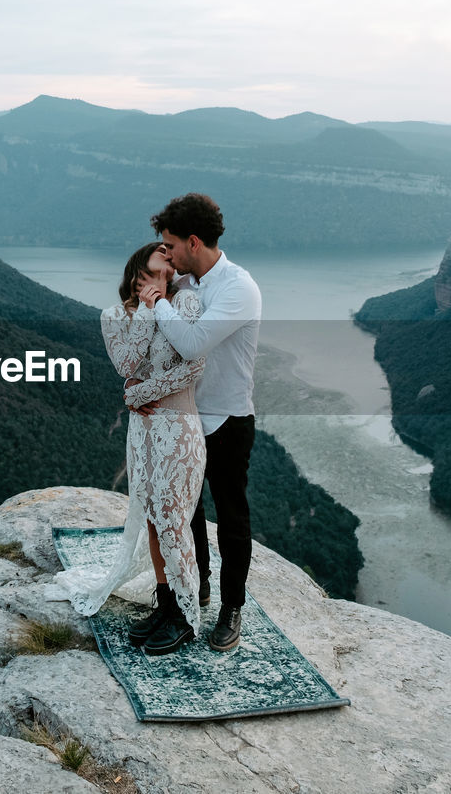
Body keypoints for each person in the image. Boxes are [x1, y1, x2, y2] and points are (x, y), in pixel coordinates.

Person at [48, 242, 206, 655]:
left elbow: (194, 365)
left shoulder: (186, 302)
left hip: (178, 429)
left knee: (174, 520)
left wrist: (141, 394)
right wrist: (147, 311)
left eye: (172, 258)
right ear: (139, 266)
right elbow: (126, 365)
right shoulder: (116, 315)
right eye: (161, 253)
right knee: (153, 518)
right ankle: (166, 602)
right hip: (141, 435)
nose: (170, 258)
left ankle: (187, 616)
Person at [138, 193, 261, 652]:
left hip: (228, 419)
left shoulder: (238, 287)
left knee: (231, 517)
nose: (166, 254)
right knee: (186, 514)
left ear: (194, 241)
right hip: (184, 416)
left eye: (171, 245)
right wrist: (144, 393)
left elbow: (191, 344)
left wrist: (157, 302)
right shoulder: (184, 283)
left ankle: (232, 607)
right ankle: (197, 589)